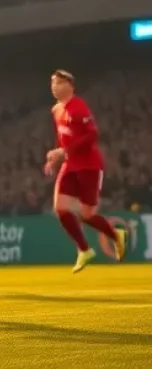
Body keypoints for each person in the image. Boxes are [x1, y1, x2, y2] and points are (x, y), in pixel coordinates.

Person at [45, 69, 126, 272]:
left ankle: (116, 235)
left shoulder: (78, 107)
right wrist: (56, 156)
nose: (55, 86)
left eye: (60, 82)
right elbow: (63, 137)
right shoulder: (56, 110)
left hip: (88, 166)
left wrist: (65, 151)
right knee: (60, 208)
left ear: (71, 85)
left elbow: (92, 135)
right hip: (69, 165)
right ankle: (84, 249)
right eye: (53, 83)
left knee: (86, 214)